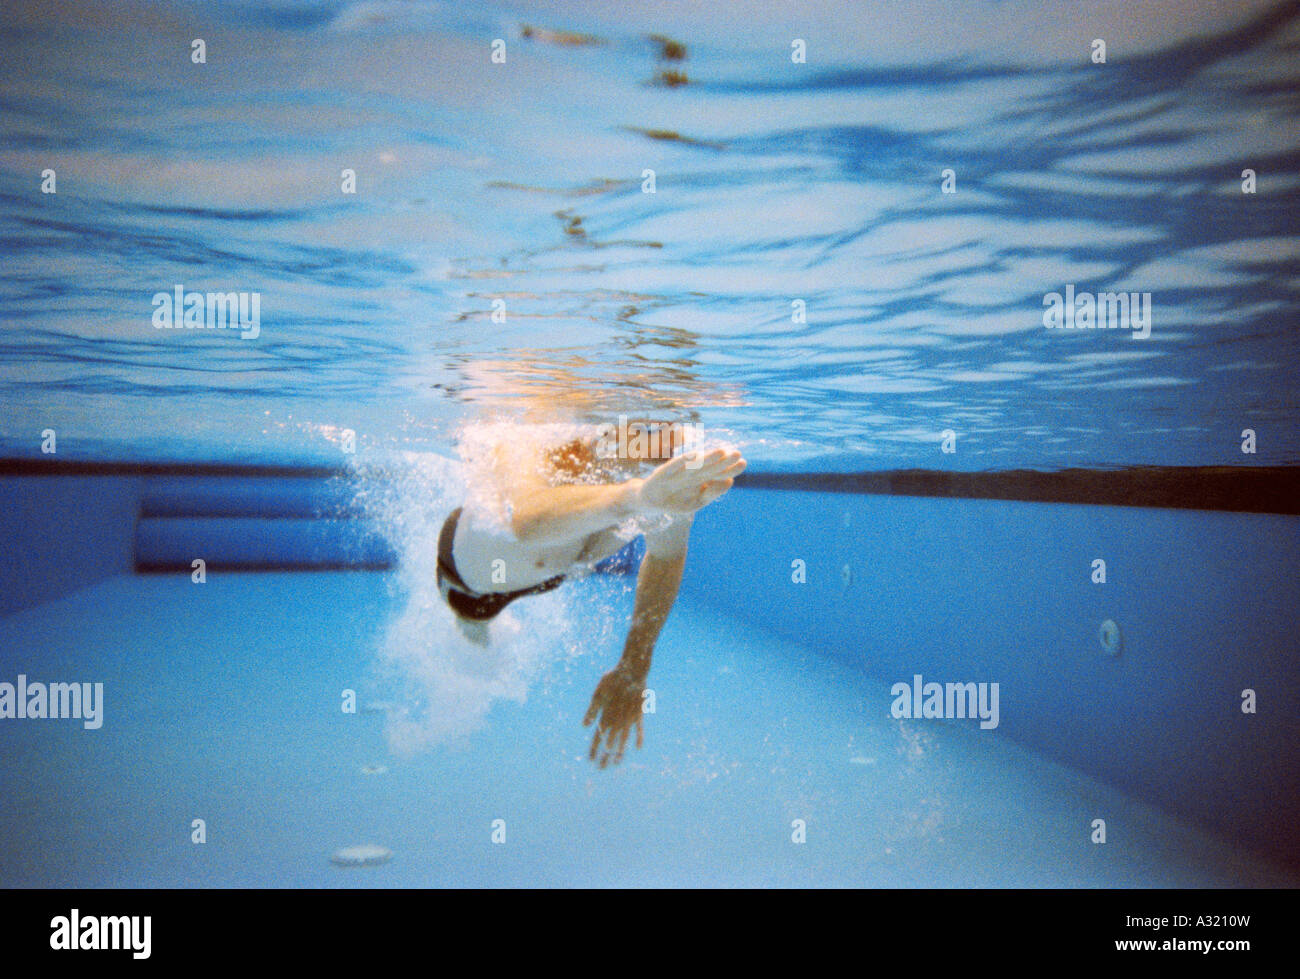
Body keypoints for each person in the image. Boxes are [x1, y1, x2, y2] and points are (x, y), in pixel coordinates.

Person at [436, 422, 745, 767]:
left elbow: (666, 555)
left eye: (671, 429)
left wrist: (635, 664)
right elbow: (527, 519)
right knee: (472, 613)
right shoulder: (538, 429)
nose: (668, 439)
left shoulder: (662, 472)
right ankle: (469, 634)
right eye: (653, 430)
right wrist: (636, 497)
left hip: (559, 560)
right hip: (475, 568)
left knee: (637, 516)